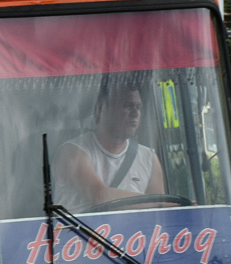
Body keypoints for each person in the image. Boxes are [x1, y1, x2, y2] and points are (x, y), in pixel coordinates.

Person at [55, 78, 166, 209]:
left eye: (138, 107)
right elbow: (99, 196)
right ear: (101, 109)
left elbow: (158, 212)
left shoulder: (149, 158)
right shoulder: (73, 152)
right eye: (127, 106)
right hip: (81, 229)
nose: (135, 113)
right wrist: (159, 203)